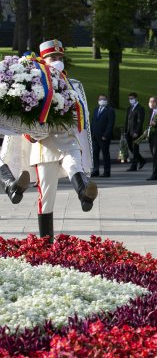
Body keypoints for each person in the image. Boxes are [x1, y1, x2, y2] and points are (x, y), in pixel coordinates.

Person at [10, 39, 96, 242]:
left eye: (60, 58)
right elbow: (26, 116)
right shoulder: (34, 85)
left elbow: (82, 112)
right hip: (44, 144)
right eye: (53, 58)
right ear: (43, 59)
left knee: (74, 164)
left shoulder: (72, 84)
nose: (58, 61)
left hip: (67, 139)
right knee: (47, 195)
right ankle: (45, 242)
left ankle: (84, 194)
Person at [91, 94, 115, 177]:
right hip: (95, 136)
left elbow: (110, 124)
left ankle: (107, 171)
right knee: (95, 154)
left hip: (103, 136)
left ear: (106, 100)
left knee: (105, 154)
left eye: (103, 99)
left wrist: (106, 134)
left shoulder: (110, 110)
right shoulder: (96, 109)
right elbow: (93, 121)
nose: (102, 101)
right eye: (100, 99)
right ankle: (96, 170)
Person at [125, 92, 146, 171]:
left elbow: (140, 121)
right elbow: (127, 120)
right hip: (129, 132)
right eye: (129, 99)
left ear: (136, 98)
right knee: (131, 147)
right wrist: (125, 131)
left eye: (132, 98)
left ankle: (134, 166)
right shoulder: (129, 108)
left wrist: (136, 132)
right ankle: (142, 160)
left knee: (135, 148)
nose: (130, 100)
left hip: (136, 133)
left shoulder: (140, 108)